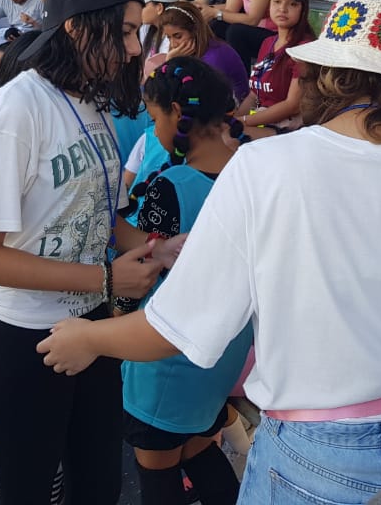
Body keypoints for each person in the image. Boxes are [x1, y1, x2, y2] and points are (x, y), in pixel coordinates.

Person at [37, 0, 381, 505]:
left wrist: (90, 338)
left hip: (312, 453)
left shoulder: (264, 168)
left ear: (328, 73)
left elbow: (180, 326)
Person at [0, 0, 170, 503]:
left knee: (97, 486)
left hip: (92, 323)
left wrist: (154, 247)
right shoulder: (15, 109)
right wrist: (104, 278)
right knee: (29, 491)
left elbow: (100, 213)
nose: (132, 49)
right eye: (124, 32)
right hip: (21, 336)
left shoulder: (91, 99)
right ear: (78, 28)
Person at [119, 59, 252, 505]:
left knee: (157, 470)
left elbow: (141, 268)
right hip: (224, 351)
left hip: (167, 355)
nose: (154, 130)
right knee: (198, 449)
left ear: (177, 112)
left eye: (155, 118)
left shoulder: (173, 184)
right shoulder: (250, 171)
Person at [236, 0, 314, 137]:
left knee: (228, 139)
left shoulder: (304, 49)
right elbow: (253, 95)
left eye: (292, 4)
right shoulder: (268, 42)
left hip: (289, 126)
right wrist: (235, 118)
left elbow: (292, 105)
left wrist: (242, 121)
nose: (282, 9)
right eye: (277, 2)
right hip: (262, 118)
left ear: (303, 10)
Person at [158, 2, 250, 105]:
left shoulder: (215, 56)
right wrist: (170, 61)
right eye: (169, 37)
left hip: (232, 109)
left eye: (178, 36)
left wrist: (172, 63)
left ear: (195, 31)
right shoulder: (182, 54)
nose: (173, 44)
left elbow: (202, 99)